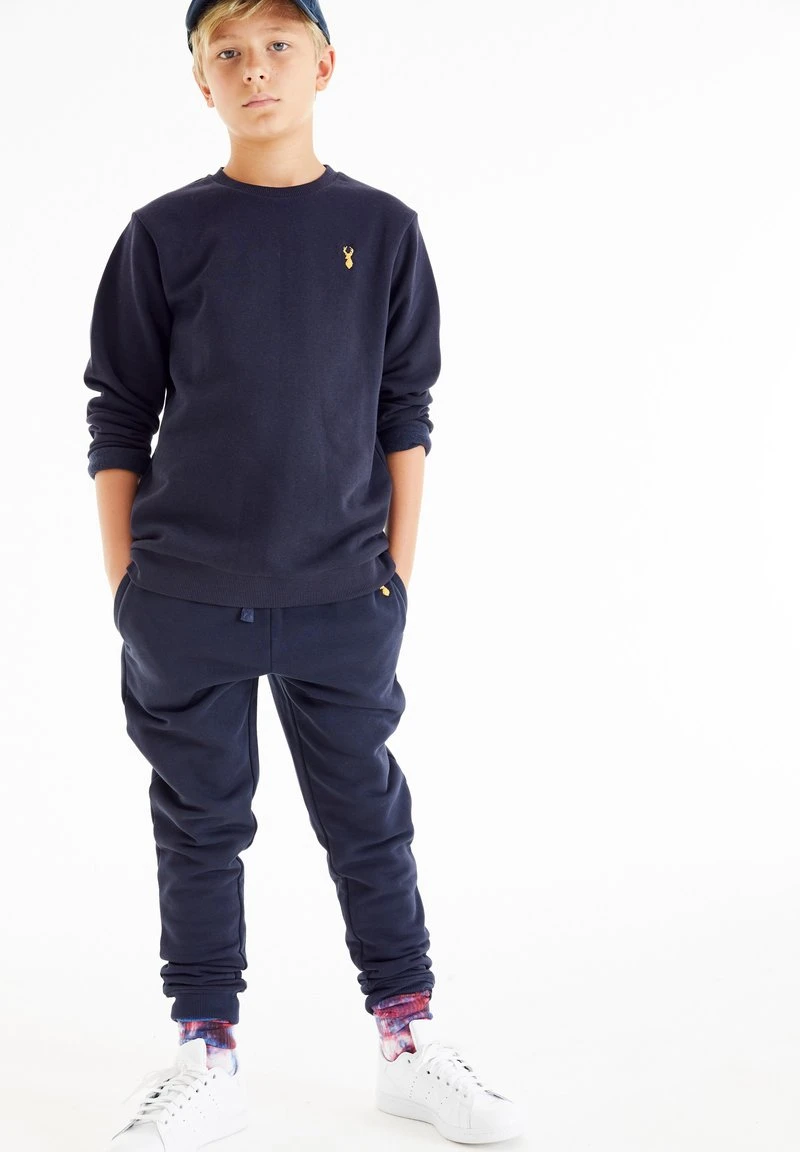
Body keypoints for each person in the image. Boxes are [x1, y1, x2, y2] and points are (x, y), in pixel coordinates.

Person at [84, 0, 526, 1146]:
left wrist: (393, 579)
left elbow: (403, 410)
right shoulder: (161, 235)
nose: (254, 69)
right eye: (226, 52)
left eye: (278, 45)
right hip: (184, 599)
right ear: (201, 81)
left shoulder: (380, 229)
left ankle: (407, 1039)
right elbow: (119, 413)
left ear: (324, 64)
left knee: (367, 822)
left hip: (342, 598)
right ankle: (206, 1047)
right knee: (198, 826)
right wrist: (128, 588)